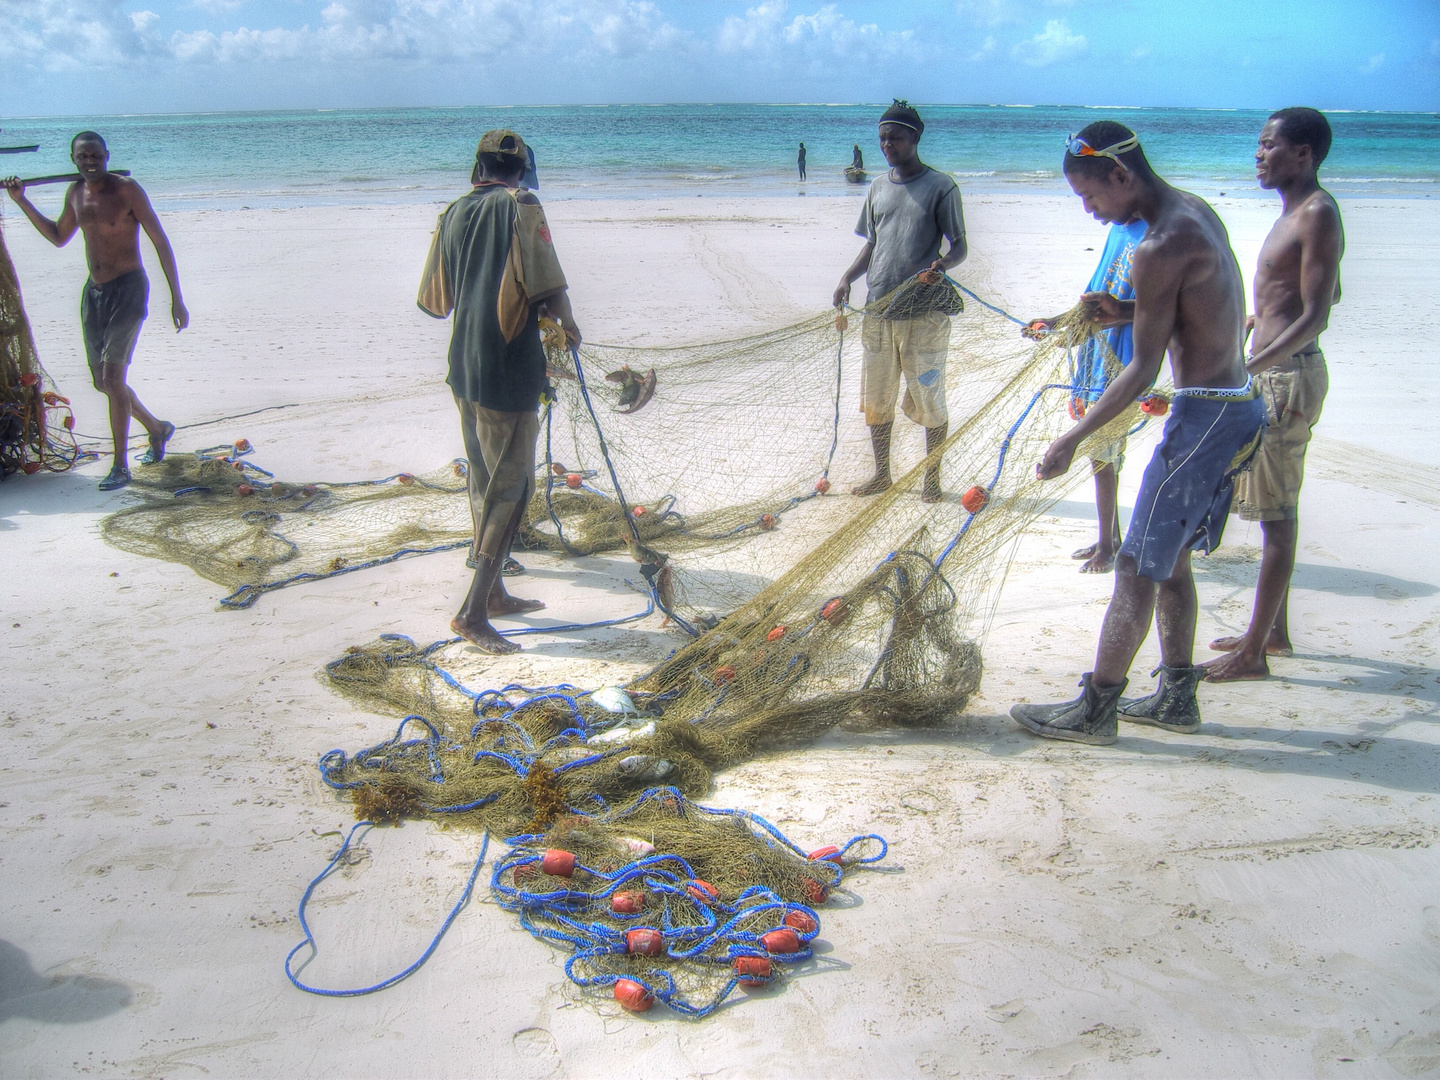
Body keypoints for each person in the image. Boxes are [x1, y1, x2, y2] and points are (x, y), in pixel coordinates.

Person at [1009, 121, 1265, 744]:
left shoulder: (1157, 246)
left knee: (1133, 563)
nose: (1091, 212)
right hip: (1235, 405)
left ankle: (1096, 709)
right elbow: (1198, 309)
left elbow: (1143, 370)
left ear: (1120, 176)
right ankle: (1177, 697)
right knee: (1169, 555)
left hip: (1204, 416)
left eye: (1090, 197)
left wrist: (1071, 440)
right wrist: (1124, 311)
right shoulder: (1192, 212)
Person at [417, 129, 581, 655]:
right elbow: (546, 282)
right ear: (522, 170)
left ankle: (496, 595)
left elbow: (435, 298)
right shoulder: (522, 204)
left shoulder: (453, 212)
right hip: (508, 366)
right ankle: (471, 611)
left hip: (463, 366)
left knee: (484, 480)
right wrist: (568, 326)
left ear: (480, 166)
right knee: (511, 490)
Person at [1204, 108, 1344, 682]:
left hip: (1285, 378)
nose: (1257, 155)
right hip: (1274, 369)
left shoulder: (1317, 212)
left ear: (1304, 152)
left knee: (1277, 515)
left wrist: (1252, 360)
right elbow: (1327, 291)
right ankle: (1275, 631)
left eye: (1268, 146)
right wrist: (1260, 320)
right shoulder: (1294, 212)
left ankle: (1255, 651)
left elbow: (1316, 316)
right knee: (1267, 509)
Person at [4, 131, 187, 490]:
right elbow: (59, 236)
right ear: (74, 159)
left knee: (114, 379)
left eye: (95, 156)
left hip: (129, 289)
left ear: (106, 155)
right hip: (95, 293)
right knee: (102, 382)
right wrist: (21, 201)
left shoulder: (126, 190)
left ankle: (120, 465)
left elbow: (160, 240)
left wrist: (176, 297)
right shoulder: (75, 194)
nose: (90, 162)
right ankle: (157, 428)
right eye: (83, 157)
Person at [833, 99, 967, 503]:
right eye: (882, 138)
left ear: (915, 138)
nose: (887, 144)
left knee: (929, 396)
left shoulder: (942, 187)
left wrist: (941, 265)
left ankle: (931, 479)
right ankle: (881, 475)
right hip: (878, 310)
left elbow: (960, 246)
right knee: (877, 399)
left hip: (923, 314)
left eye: (895, 137)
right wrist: (846, 278)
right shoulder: (876, 187)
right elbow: (873, 245)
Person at [1025, 215, 1148, 573]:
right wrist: (1053, 321)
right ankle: (1110, 536)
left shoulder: (1152, 232)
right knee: (1102, 454)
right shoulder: (1118, 231)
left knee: (1103, 454)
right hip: (1096, 355)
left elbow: (1154, 310)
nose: (1093, 210)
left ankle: (1108, 547)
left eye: (1093, 197)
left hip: (1122, 361)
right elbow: (1091, 304)